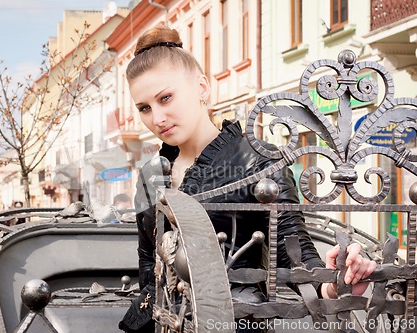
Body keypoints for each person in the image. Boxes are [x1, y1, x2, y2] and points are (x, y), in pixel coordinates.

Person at [118, 26, 377, 332]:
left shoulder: (259, 161)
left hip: (234, 324)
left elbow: (294, 257)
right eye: (145, 108)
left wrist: (334, 281)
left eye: (166, 98)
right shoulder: (151, 174)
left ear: (202, 87)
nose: (157, 118)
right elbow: (149, 265)